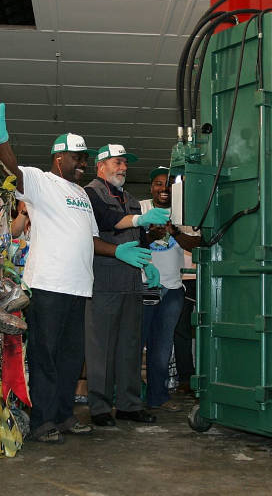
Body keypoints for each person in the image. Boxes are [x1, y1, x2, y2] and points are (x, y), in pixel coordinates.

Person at [0, 103, 155, 444]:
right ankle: (42, 420)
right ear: (60, 159)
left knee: (72, 358)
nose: (83, 164)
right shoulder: (43, 183)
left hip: (80, 288)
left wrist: (120, 252)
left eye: (85, 159)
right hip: (48, 285)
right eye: (78, 158)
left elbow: (91, 240)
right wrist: (2, 139)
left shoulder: (82, 196)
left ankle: (64, 414)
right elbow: (12, 170)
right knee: (46, 356)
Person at [84, 144, 170, 427]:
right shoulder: (91, 193)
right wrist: (140, 218)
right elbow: (107, 222)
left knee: (130, 346)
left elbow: (139, 235)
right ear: (101, 166)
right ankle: (99, 407)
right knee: (102, 348)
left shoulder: (130, 198)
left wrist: (149, 264)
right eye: (117, 162)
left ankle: (129, 405)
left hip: (132, 280)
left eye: (125, 163)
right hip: (104, 279)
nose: (123, 167)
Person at [141, 167, 202, 409]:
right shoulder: (141, 208)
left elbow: (198, 243)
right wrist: (149, 234)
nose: (163, 189)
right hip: (146, 286)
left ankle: (158, 397)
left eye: (167, 184)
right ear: (151, 187)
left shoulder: (183, 210)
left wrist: (173, 231)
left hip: (174, 289)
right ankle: (130, 397)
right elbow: (129, 241)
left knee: (163, 347)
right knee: (137, 344)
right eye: (157, 184)